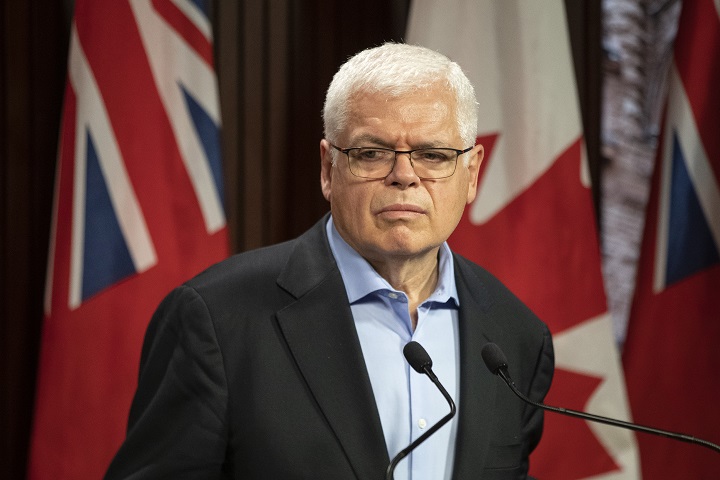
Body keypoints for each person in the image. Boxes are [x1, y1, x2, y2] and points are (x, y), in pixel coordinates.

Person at [105, 42, 554, 480]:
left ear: (471, 173)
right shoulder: (215, 320)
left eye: (432, 155)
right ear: (327, 168)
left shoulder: (517, 337)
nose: (404, 176)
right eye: (372, 153)